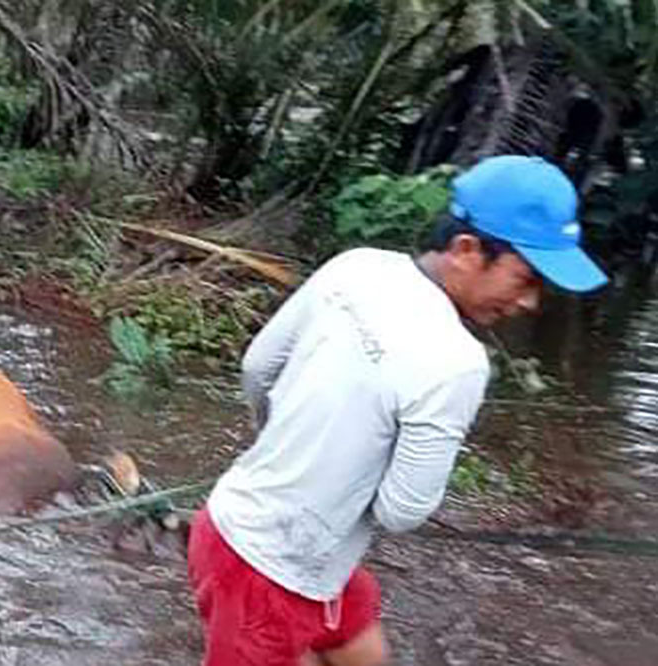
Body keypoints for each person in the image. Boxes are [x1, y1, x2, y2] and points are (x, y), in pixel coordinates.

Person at [188, 155, 608, 666]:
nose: (529, 304)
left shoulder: (357, 265)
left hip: (232, 528)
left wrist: (290, 448)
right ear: (466, 250)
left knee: (356, 640)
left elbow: (257, 369)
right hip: (267, 574)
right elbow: (402, 511)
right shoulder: (457, 362)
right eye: (525, 279)